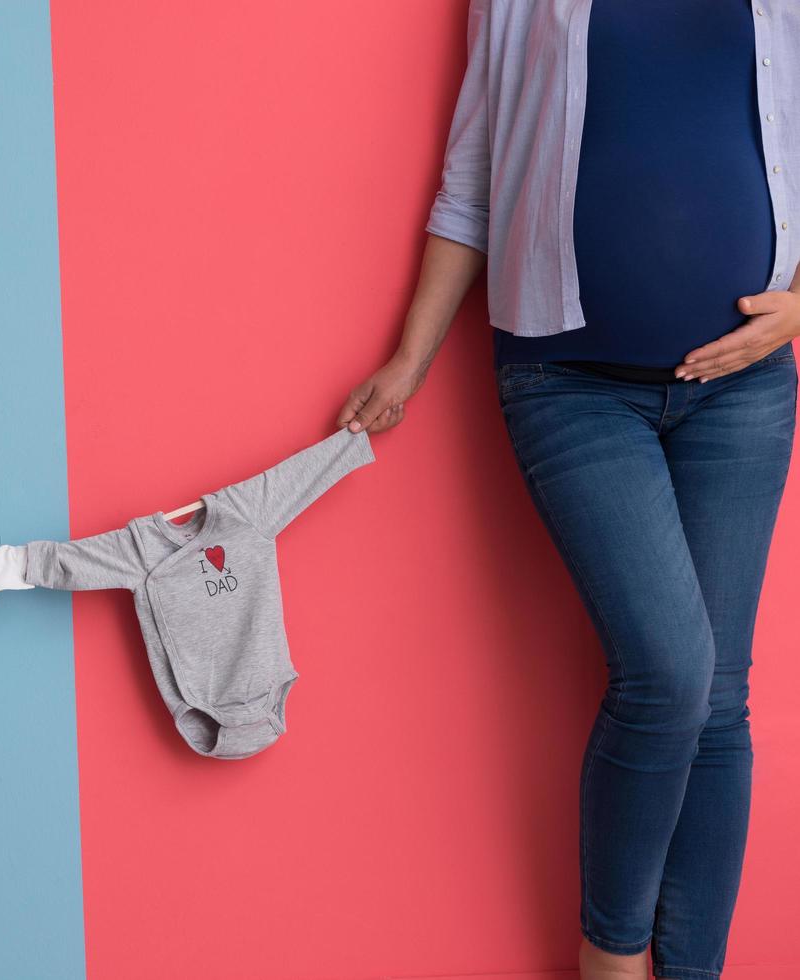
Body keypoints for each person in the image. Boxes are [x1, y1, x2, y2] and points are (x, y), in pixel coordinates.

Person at [338, 2, 799, 977]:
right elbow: (470, 181)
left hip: (741, 389)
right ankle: (610, 955)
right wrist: (408, 359)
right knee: (669, 674)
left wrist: (796, 306)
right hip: (569, 385)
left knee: (717, 698)